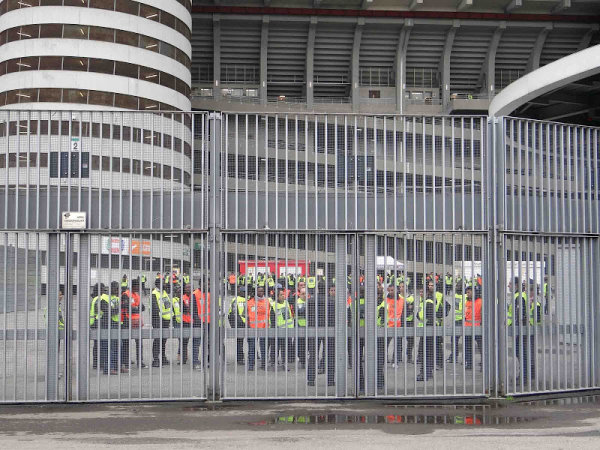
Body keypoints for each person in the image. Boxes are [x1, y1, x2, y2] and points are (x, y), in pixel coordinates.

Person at [121, 279, 146, 369]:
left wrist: (135, 307)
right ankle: (126, 362)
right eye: (137, 286)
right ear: (133, 286)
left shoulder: (137, 295)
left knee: (139, 342)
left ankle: (140, 362)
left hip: (137, 322)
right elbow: (127, 307)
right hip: (127, 321)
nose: (139, 288)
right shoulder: (126, 294)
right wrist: (136, 307)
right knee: (127, 343)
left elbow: (143, 307)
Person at [380, 283, 404, 368]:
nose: (390, 292)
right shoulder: (386, 300)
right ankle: (382, 360)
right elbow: (381, 311)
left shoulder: (402, 300)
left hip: (398, 325)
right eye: (389, 290)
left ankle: (395, 361)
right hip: (388, 326)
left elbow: (404, 312)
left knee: (397, 345)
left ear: (397, 290)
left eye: (392, 290)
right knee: (384, 344)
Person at [270, 284, 293, 370]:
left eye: (283, 294)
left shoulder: (287, 303)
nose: (283, 296)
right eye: (281, 295)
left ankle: (284, 363)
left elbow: (290, 316)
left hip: (286, 330)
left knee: (285, 348)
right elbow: (272, 319)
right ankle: (274, 363)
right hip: (277, 330)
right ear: (277, 296)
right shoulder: (273, 305)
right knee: (275, 348)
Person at [247, 286, 270, 371]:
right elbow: (246, 315)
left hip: (264, 328)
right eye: (259, 291)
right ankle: (251, 365)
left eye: (262, 291)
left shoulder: (267, 302)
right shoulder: (250, 302)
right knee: (252, 348)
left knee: (264, 348)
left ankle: (264, 364)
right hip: (253, 328)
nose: (261, 293)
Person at [151, 278, 172, 368]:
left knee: (163, 340)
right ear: (158, 284)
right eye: (163, 283)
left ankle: (163, 358)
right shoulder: (154, 294)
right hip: (157, 320)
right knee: (157, 340)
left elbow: (168, 305)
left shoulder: (164, 293)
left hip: (166, 320)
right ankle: (156, 360)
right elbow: (155, 308)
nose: (165, 285)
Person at [463, 286, 482, 370]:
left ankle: (484, 363)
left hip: (478, 328)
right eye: (467, 292)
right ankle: (469, 363)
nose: (467, 294)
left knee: (481, 347)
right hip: (467, 327)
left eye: (469, 292)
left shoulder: (480, 302)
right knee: (468, 347)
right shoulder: (467, 302)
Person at [228, 285, 247, 366]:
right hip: (240, 324)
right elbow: (233, 313)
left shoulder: (247, 300)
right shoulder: (236, 300)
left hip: (247, 324)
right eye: (243, 291)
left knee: (248, 341)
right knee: (240, 342)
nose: (244, 293)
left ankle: (249, 356)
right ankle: (240, 358)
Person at [447, 282, 464, 364]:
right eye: (456, 285)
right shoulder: (456, 295)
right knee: (454, 339)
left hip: (464, 320)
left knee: (466, 341)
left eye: (458, 286)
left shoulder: (465, 297)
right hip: (456, 321)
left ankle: (466, 358)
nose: (456, 287)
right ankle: (454, 357)